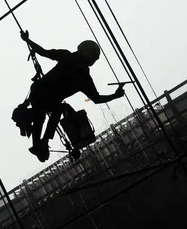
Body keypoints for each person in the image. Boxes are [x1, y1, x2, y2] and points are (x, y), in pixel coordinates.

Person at [17, 31, 125, 162]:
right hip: (46, 97)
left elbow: (43, 52)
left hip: (39, 92)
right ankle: (41, 142)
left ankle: (38, 144)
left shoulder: (69, 58)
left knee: (42, 115)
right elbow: (96, 99)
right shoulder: (83, 77)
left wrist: (27, 41)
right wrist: (115, 95)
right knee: (53, 111)